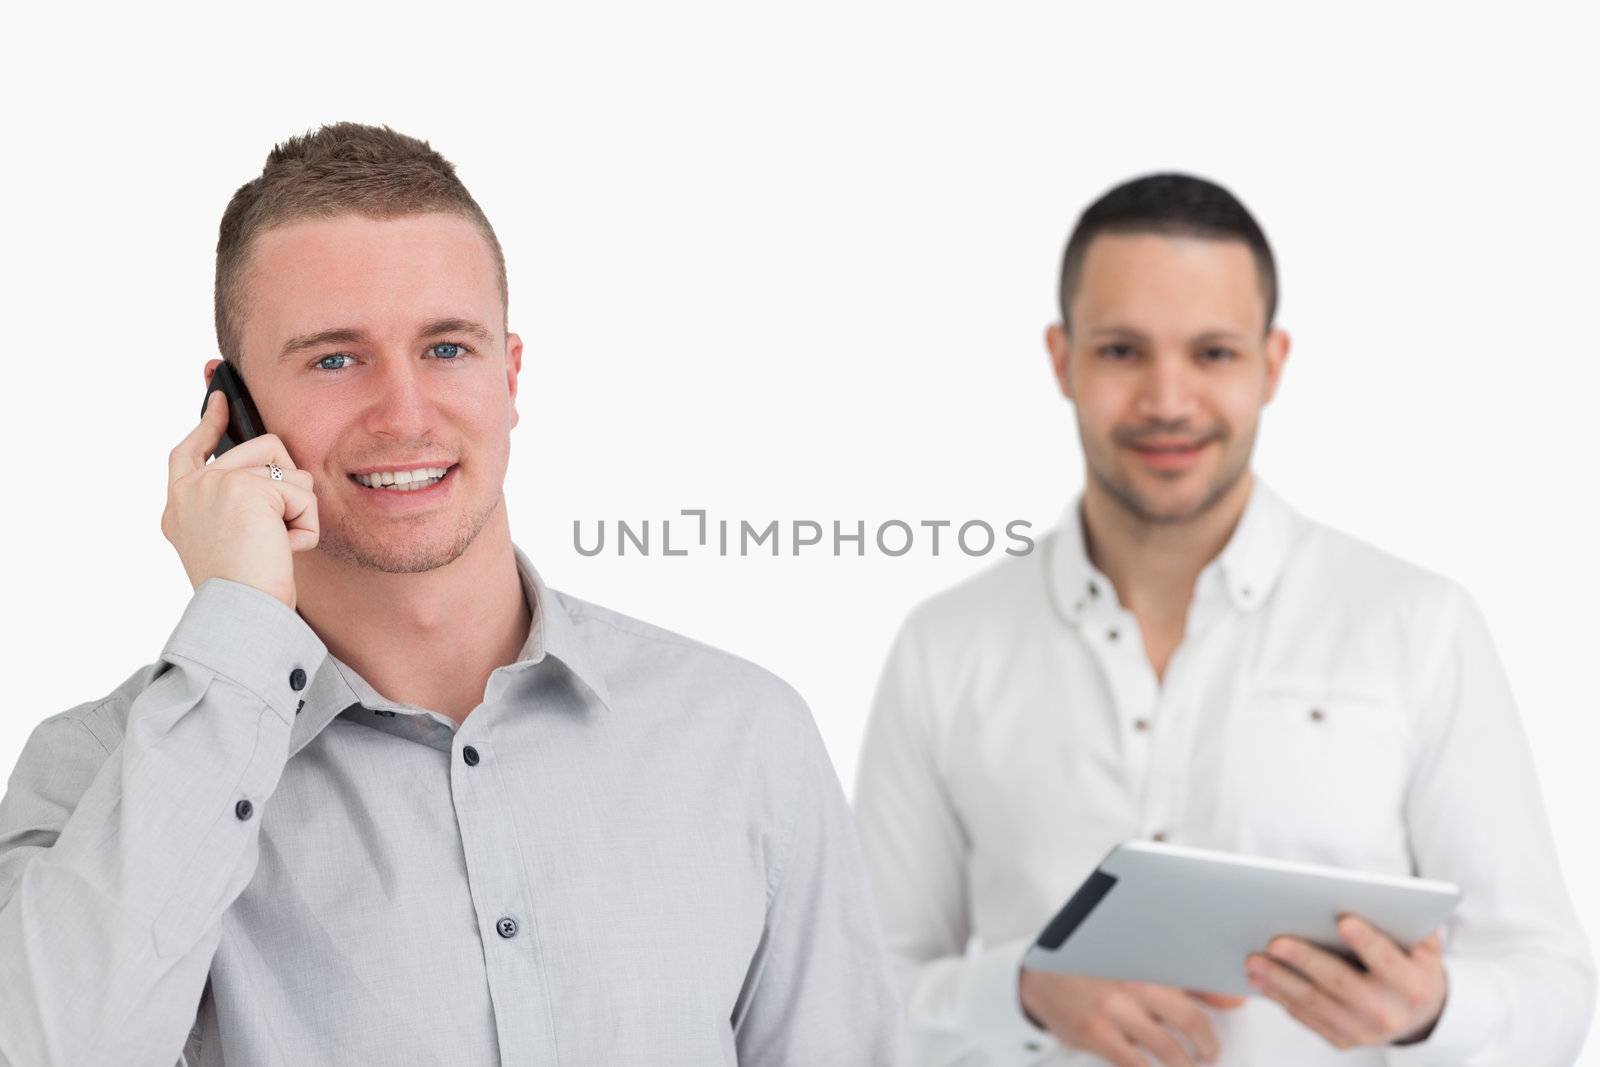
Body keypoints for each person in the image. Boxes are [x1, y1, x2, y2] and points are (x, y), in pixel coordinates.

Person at [0, 122, 904, 1066]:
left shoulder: (744, 737)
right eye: (334, 359)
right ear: (231, 408)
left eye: (446, 348)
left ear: (510, 376)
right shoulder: (104, 774)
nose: (405, 415)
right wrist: (236, 626)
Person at [852, 172, 1595, 1066]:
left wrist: (1431, 1008)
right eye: (1123, 351)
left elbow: (1554, 988)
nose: (1169, 400)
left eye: (1213, 353)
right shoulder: (946, 647)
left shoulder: (1417, 625)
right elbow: (855, 993)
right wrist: (1022, 988)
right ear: (1062, 358)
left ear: (1273, 363)